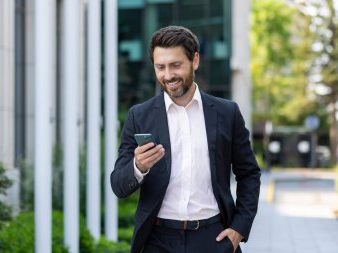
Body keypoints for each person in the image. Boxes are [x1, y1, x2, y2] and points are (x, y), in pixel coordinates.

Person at [111, 26, 261, 253]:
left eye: (176, 65)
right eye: (160, 67)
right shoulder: (139, 116)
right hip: (157, 241)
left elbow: (249, 174)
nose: (168, 75)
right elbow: (118, 185)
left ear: (195, 60)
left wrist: (239, 228)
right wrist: (138, 166)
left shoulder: (227, 113)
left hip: (213, 239)